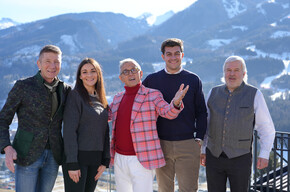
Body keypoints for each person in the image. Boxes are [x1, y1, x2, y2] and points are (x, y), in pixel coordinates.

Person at [110, 58, 189, 192]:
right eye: (126, 71)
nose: (130, 74)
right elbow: (103, 117)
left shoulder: (152, 95)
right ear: (121, 78)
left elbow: (168, 112)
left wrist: (175, 103)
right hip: (119, 158)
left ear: (140, 74)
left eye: (133, 70)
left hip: (142, 158)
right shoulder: (117, 98)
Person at [0, 45, 71, 192]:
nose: (52, 66)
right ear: (38, 64)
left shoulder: (65, 90)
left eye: (56, 62)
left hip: (53, 156)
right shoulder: (23, 86)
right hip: (26, 154)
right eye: (48, 61)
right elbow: (3, 119)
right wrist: (7, 147)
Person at [200, 55, 276, 192]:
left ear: (244, 73)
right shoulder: (213, 92)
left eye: (236, 70)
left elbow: (266, 127)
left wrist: (264, 154)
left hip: (240, 158)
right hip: (214, 156)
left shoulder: (255, 94)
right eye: (228, 70)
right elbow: (206, 124)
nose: (232, 74)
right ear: (224, 73)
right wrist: (203, 149)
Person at [143, 38, 207, 192]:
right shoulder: (151, 80)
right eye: (169, 54)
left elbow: (202, 112)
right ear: (163, 56)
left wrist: (199, 138)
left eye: (176, 53)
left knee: (189, 189)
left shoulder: (193, 79)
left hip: (187, 144)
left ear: (182, 55)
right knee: (164, 189)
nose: (173, 57)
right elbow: (139, 105)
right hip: (160, 144)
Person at [62, 58, 110, 192]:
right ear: (80, 76)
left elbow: (105, 132)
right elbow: (69, 131)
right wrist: (72, 163)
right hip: (77, 161)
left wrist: (104, 161)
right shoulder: (75, 96)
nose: (89, 75)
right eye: (85, 72)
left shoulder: (101, 100)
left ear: (98, 74)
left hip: (95, 161)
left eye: (93, 71)